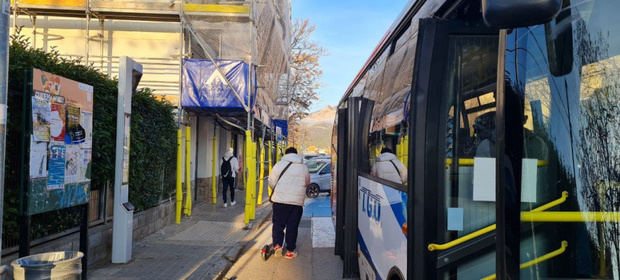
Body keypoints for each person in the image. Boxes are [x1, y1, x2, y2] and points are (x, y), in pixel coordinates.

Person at [268, 147, 310, 259]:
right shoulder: (303, 167)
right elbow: (307, 182)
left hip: (280, 200)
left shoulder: (278, 165)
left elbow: (271, 181)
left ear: (286, 154)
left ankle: (277, 246)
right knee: (292, 226)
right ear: (296, 154)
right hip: (296, 202)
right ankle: (290, 251)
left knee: (278, 224)